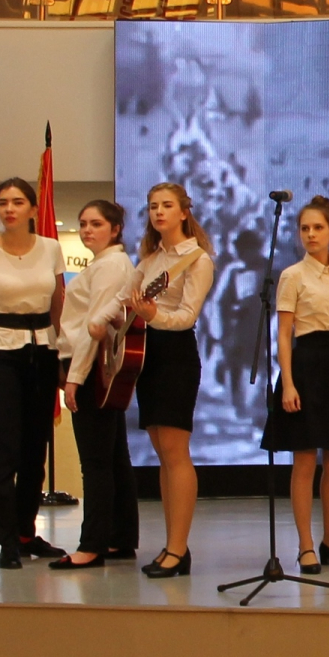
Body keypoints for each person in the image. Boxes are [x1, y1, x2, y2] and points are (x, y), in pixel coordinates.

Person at [100, 182, 216, 578]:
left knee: (175, 451)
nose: (159, 212)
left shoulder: (197, 259)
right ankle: (172, 545)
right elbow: (123, 299)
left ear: (184, 212)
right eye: (153, 206)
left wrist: (154, 316)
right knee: (162, 454)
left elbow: (186, 316)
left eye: (167, 206)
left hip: (175, 355)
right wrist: (103, 324)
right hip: (146, 354)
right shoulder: (150, 259)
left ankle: (178, 549)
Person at [261, 195, 329, 575]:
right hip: (305, 366)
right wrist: (289, 384)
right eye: (305, 228)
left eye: (318, 228)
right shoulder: (292, 275)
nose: (311, 234)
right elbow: (284, 333)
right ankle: (305, 545)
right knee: (305, 460)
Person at [0, 178, 68, 570]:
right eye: (3, 202)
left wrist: (62, 357)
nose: (9, 209)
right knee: (5, 450)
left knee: (35, 451)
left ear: (32, 209)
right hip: (3, 353)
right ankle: (6, 540)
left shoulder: (51, 248)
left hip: (43, 351)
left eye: (18, 202)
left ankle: (27, 533)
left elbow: (58, 305)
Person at [54, 200, 140, 569]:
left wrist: (74, 378)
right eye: (83, 223)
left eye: (97, 224)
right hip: (91, 365)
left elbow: (94, 328)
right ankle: (120, 537)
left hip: (90, 367)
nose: (87, 230)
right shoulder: (105, 264)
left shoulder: (110, 266)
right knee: (114, 456)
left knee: (96, 461)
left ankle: (92, 545)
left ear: (116, 229)